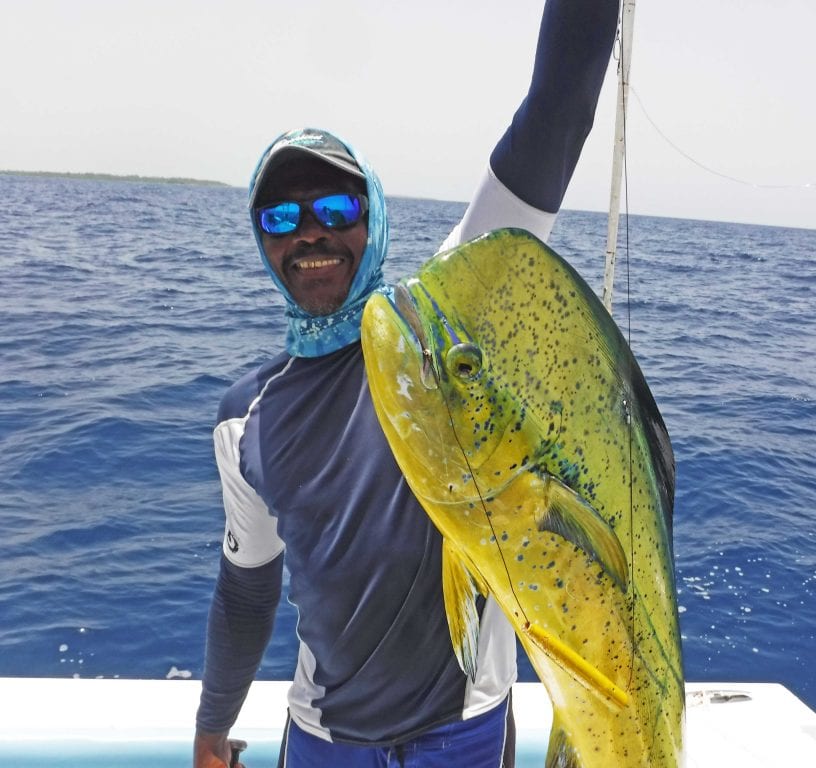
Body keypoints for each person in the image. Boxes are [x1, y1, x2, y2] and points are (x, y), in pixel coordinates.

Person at [193, 2, 620, 766]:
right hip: (324, 742)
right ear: (262, 241)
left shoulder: (446, 324)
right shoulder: (244, 417)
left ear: (375, 217)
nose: (309, 233)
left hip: (464, 733)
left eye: (335, 207)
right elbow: (248, 592)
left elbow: (557, 110)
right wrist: (212, 726)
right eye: (281, 217)